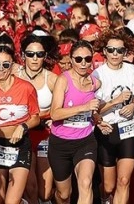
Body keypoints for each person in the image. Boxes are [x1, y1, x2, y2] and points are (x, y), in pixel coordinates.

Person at [92, 29, 134, 204]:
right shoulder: (97, 74)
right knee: (108, 186)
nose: (115, 54)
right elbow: (94, 110)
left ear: (125, 51)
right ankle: (104, 200)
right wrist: (115, 101)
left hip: (129, 128)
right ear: (104, 51)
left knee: (124, 181)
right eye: (111, 50)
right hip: (106, 129)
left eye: (120, 50)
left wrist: (133, 105)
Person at [0, 46, 40, 204]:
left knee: (11, 201)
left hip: (20, 145)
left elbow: (35, 117)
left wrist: (22, 127)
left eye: (6, 65)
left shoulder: (26, 87)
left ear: (13, 65)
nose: (1, 69)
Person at [48, 41, 102, 204]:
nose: (83, 63)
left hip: (85, 142)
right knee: (64, 195)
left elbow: (95, 110)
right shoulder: (63, 80)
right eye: (78, 59)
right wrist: (83, 107)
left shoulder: (95, 83)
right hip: (61, 143)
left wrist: (98, 120)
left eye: (87, 59)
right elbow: (54, 113)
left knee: (86, 183)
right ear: (71, 60)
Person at [16, 35, 58, 204]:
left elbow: (63, 107)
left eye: (39, 54)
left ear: (45, 55)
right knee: (30, 187)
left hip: (44, 135)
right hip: (20, 134)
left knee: (45, 192)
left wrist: (53, 119)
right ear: (22, 54)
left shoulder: (53, 79)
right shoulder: (12, 73)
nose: (35, 58)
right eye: (30, 54)